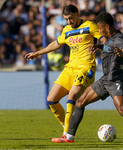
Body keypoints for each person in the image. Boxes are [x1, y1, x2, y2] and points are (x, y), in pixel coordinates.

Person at [51, 12, 123, 144]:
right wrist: (98, 47)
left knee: (122, 110)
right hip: (105, 80)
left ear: (107, 27)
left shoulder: (118, 39)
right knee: (80, 102)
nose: (98, 31)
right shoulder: (109, 38)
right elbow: (108, 47)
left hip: (115, 79)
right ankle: (69, 137)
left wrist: (122, 53)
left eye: (100, 28)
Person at [25, 4, 104, 138]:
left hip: (85, 67)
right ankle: (67, 125)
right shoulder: (66, 29)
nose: (69, 21)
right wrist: (38, 53)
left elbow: (104, 39)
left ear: (77, 14)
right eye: (66, 19)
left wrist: (99, 46)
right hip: (70, 68)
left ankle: (67, 134)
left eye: (71, 18)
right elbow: (57, 43)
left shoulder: (90, 25)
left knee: (72, 96)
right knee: (51, 99)